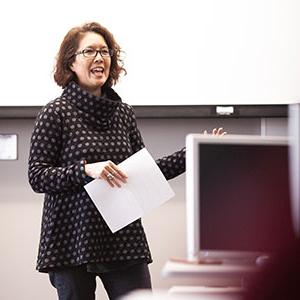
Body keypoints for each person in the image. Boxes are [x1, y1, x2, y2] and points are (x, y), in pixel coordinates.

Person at [28, 21, 226, 300]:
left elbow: (143, 173)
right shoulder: (54, 113)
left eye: (105, 51)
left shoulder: (123, 113)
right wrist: (86, 170)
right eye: (90, 52)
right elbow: (37, 176)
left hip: (123, 238)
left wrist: (195, 151)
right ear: (71, 63)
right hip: (71, 239)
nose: (99, 58)